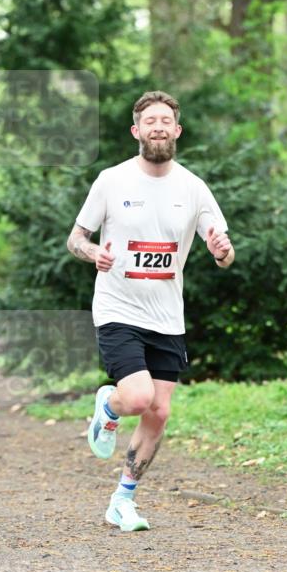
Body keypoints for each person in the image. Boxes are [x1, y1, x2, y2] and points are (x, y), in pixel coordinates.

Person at [67, 90, 234, 532]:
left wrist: (221, 251)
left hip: (167, 316)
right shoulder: (111, 180)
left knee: (159, 413)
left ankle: (122, 500)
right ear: (136, 131)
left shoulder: (193, 188)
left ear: (176, 131)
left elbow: (223, 251)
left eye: (166, 121)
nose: (158, 127)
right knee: (138, 399)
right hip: (118, 308)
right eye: (150, 121)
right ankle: (110, 405)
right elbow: (76, 238)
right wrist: (92, 253)